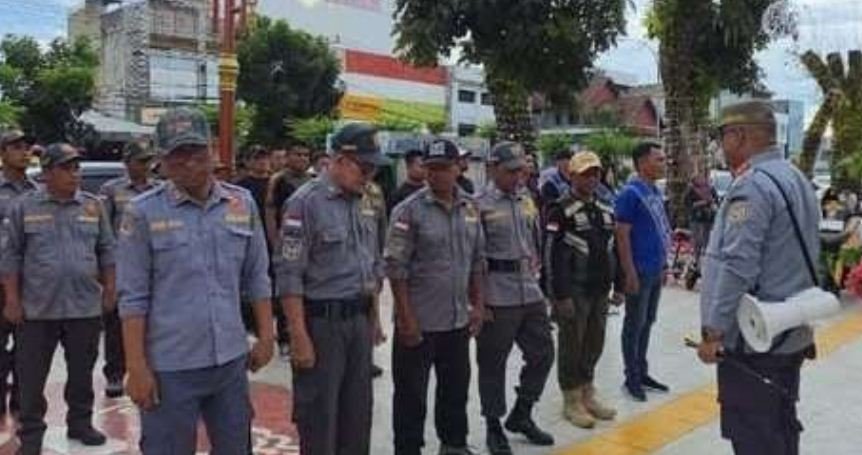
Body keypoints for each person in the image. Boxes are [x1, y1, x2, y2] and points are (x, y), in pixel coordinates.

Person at [117, 107, 274, 453]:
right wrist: (136, 366)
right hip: (170, 366)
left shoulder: (241, 203)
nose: (188, 162)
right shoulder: (142, 213)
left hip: (230, 361)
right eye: (177, 154)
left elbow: (257, 276)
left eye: (196, 151)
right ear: (162, 159)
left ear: (212, 149)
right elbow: (132, 297)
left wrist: (266, 336)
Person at [697, 101, 819, 455]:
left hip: (755, 340)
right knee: (780, 426)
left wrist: (714, 332)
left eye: (722, 137)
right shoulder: (795, 177)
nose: (721, 146)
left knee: (754, 435)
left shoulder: (752, 186)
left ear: (739, 135)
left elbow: (738, 266)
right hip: (789, 330)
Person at [276, 122, 388, 455]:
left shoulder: (366, 200)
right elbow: (289, 275)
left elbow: (371, 263)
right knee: (320, 417)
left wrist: (374, 317)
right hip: (321, 325)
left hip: (358, 321)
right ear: (339, 160)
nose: (369, 175)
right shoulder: (305, 203)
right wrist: (298, 335)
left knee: (357, 415)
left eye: (373, 169)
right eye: (363, 167)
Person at [1, 143, 115, 453]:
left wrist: (110, 290)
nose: (74, 174)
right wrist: (12, 300)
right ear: (47, 172)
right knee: (31, 378)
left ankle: (80, 423)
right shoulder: (24, 207)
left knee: (82, 373)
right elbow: (10, 257)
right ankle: (31, 434)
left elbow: (107, 250)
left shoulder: (93, 206)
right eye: (66, 168)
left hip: (84, 306)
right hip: (38, 308)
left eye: (76, 167)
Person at [386, 138, 485, 455]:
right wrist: (406, 318)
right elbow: (396, 268)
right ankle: (408, 449)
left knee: (455, 389)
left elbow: (477, 260)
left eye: (443, 168)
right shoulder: (408, 211)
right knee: (410, 395)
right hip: (419, 321)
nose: (436, 174)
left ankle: (453, 444)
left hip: (456, 319)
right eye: (431, 168)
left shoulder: (471, 207)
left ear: (458, 168)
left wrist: (478, 305)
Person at [475, 142, 554, 455]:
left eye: (521, 171)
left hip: (528, 288)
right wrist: (478, 301)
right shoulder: (477, 205)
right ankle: (493, 425)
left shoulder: (526, 199)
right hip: (496, 291)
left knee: (543, 353)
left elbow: (535, 241)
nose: (517, 177)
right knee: (492, 363)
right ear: (493, 168)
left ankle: (522, 413)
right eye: (510, 171)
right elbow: (472, 257)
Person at [545, 151, 620, 428]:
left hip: (600, 288)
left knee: (594, 342)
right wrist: (559, 295)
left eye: (595, 173)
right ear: (572, 176)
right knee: (571, 345)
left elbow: (614, 248)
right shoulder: (559, 210)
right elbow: (551, 256)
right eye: (586, 174)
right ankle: (572, 399)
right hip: (573, 291)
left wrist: (620, 284)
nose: (592, 179)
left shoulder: (605, 208)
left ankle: (588, 391)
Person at [98, 141, 158, 399]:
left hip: (153, 265)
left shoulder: (160, 189)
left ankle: (152, 367)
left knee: (152, 321)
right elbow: (104, 230)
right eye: (141, 161)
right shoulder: (112, 190)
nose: (146, 166)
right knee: (117, 323)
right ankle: (115, 374)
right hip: (122, 265)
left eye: (148, 161)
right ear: (127, 162)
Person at [615, 141, 671, 401]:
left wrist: (664, 264)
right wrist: (629, 272)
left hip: (655, 268)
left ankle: (642, 370)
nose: (663, 164)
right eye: (658, 159)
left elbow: (659, 230)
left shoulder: (654, 190)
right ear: (642, 163)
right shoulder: (630, 193)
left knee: (648, 321)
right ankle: (631, 376)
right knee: (634, 324)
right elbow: (622, 235)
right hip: (639, 270)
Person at [0, 130, 38, 418]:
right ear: (2, 153)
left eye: (27, 147)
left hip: (29, 282)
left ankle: (20, 402)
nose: (24, 152)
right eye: (16, 147)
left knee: (28, 348)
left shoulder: (37, 192)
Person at [264, 143, 311, 357]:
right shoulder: (278, 180)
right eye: (297, 154)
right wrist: (275, 243)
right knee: (286, 289)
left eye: (305, 155)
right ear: (288, 156)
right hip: (285, 242)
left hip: (308, 245)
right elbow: (270, 211)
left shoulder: (313, 181)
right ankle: (285, 336)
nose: (302, 158)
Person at [685, 174, 718, 261]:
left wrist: (712, 205)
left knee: (708, 240)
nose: (701, 180)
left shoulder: (711, 188)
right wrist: (703, 203)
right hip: (696, 218)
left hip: (708, 218)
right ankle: (697, 259)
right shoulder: (691, 190)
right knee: (698, 240)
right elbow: (688, 204)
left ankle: (707, 258)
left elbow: (716, 201)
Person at [235, 145, 272, 221]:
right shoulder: (239, 187)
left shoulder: (279, 183)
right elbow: (236, 217)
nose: (262, 161)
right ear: (247, 162)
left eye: (265, 158)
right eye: (257, 158)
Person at [389, 148, 426, 214]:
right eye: (421, 166)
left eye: (426, 166)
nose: (424, 170)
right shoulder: (398, 195)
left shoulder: (430, 192)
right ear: (408, 167)